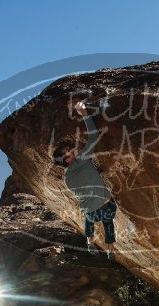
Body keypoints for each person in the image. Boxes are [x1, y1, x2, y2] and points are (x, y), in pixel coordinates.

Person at [53, 100, 117, 260]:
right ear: (67, 160)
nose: (72, 150)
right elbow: (94, 136)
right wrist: (84, 114)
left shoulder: (66, 178)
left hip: (90, 211)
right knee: (108, 222)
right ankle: (110, 249)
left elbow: (85, 185)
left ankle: (89, 240)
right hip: (105, 205)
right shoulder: (81, 159)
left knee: (89, 219)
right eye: (69, 152)